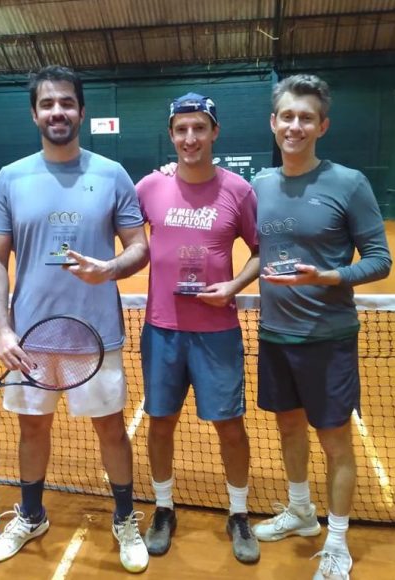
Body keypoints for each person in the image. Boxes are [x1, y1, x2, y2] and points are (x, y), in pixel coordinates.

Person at [0, 65, 150, 573]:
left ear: (82, 110)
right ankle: (31, 515)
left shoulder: (112, 174)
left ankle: (125, 518)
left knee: (111, 431)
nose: (58, 111)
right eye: (47, 104)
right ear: (34, 114)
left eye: (66, 103)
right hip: (30, 337)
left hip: (96, 335)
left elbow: (139, 247)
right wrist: (2, 329)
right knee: (32, 431)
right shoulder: (10, 178)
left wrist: (111, 269)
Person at [252, 74, 392, 579]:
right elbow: (257, 250)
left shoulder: (349, 183)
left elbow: (379, 259)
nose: (295, 126)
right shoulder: (259, 185)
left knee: (335, 441)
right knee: (288, 426)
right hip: (274, 334)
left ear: (322, 126)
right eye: (287, 116)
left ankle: (336, 541)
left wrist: (328, 276)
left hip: (328, 338)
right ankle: (300, 512)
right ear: (273, 122)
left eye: (306, 118)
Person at [136, 93, 261, 563]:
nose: (191, 138)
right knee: (160, 422)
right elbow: (125, 233)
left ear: (214, 133)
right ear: (171, 135)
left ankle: (238, 513)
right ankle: (164, 508)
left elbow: (262, 250)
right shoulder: (150, 186)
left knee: (230, 426)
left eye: (199, 128)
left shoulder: (238, 191)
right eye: (182, 129)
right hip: (162, 330)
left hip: (217, 332)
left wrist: (234, 285)